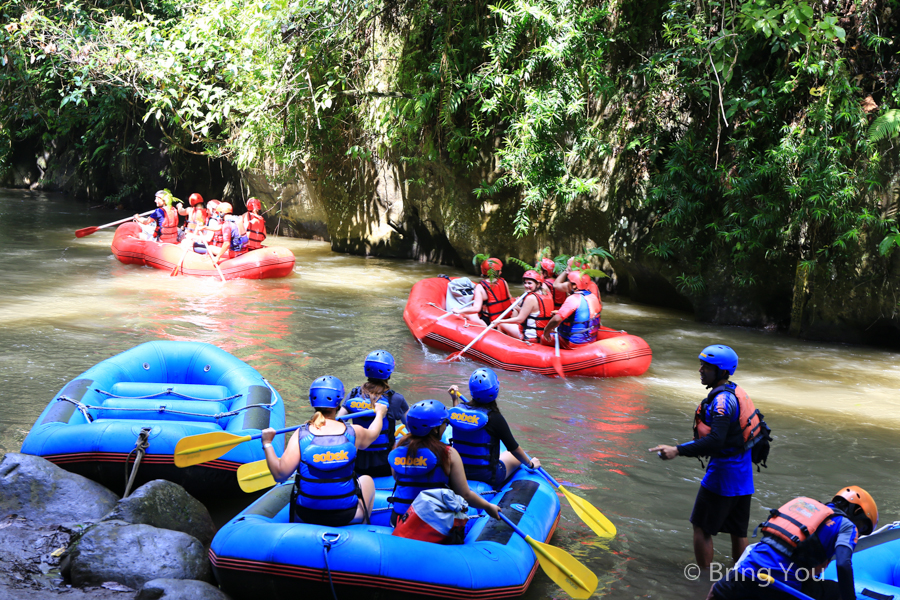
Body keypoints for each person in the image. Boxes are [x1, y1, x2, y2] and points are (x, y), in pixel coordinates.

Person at [649, 345, 757, 570]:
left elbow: (716, 440)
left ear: (721, 372)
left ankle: (704, 579)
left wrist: (677, 450)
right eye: (701, 365)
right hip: (743, 477)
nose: (700, 370)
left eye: (706, 367)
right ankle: (741, 579)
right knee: (738, 532)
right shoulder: (734, 392)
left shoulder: (722, 402)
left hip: (723, 476)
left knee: (701, 527)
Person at [708, 486, 878, 600]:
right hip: (779, 585)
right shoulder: (848, 526)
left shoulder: (802, 504)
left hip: (744, 574)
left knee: (714, 593)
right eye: (863, 527)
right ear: (857, 511)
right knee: (836, 592)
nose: (859, 532)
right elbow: (843, 565)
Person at [260, 375, 388, 526]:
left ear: (312, 401)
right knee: (366, 480)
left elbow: (280, 475)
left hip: (306, 515)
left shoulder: (301, 434)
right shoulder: (354, 432)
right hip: (347, 515)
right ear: (339, 402)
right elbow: (373, 434)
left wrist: (267, 443)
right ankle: (361, 529)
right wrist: (379, 414)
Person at [388, 399, 501, 526]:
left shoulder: (398, 450)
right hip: (434, 525)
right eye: (445, 423)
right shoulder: (448, 454)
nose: (446, 426)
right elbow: (465, 494)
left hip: (399, 520)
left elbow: (396, 477)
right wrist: (488, 507)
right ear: (435, 429)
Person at [446, 367, 541, 488]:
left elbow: (459, 419)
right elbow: (514, 448)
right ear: (496, 389)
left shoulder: (457, 411)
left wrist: (454, 400)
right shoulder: (495, 418)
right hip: (487, 475)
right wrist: (531, 464)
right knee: (514, 456)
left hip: (458, 471)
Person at [337, 350, 409, 478]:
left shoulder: (353, 395)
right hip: (384, 466)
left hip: (357, 464)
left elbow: (338, 422)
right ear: (389, 373)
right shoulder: (396, 399)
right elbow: (412, 428)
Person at [452, 258, 518, 336]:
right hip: (506, 317)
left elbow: (476, 309)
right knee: (515, 311)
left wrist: (459, 311)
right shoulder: (504, 282)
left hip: (491, 322)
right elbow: (510, 299)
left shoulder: (480, 287)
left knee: (469, 314)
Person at [541, 272, 601, 348]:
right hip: (591, 340)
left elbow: (556, 319)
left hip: (573, 342)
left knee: (543, 338)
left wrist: (547, 330)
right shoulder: (592, 296)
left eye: (568, 282)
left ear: (575, 285)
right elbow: (584, 315)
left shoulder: (574, 298)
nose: (567, 285)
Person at [493, 270, 554, 342]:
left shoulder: (530, 298)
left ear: (538, 284)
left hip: (530, 336)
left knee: (502, 324)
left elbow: (520, 319)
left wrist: (499, 321)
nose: (526, 285)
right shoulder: (548, 294)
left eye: (529, 283)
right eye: (525, 283)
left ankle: (503, 346)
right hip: (542, 336)